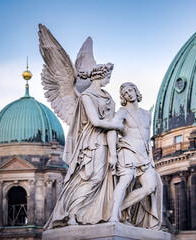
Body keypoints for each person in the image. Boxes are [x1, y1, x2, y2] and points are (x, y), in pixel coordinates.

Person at [44, 63, 124, 229]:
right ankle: (72, 213)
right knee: (91, 178)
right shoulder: (86, 96)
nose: (108, 81)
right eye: (108, 77)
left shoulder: (108, 97)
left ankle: (95, 214)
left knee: (103, 180)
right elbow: (95, 121)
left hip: (107, 141)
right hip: (92, 142)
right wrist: (117, 126)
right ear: (99, 76)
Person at [108, 82, 162, 230]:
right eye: (125, 93)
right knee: (125, 181)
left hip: (144, 155)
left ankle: (119, 208)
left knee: (150, 187)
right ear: (123, 98)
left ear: (136, 91)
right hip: (128, 151)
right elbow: (112, 130)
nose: (128, 94)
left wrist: (150, 157)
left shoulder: (147, 114)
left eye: (130, 90)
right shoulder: (122, 112)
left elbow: (146, 137)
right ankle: (113, 215)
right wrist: (112, 154)